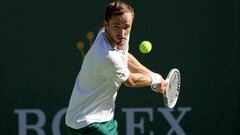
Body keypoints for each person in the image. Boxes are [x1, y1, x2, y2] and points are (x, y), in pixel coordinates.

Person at [65, 1, 168, 135]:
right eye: (116, 26)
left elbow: (125, 58)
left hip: (106, 119)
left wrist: (155, 76)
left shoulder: (118, 36)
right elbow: (130, 81)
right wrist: (154, 79)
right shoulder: (106, 55)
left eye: (127, 27)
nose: (122, 33)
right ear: (106, 25)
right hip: (83, 123)